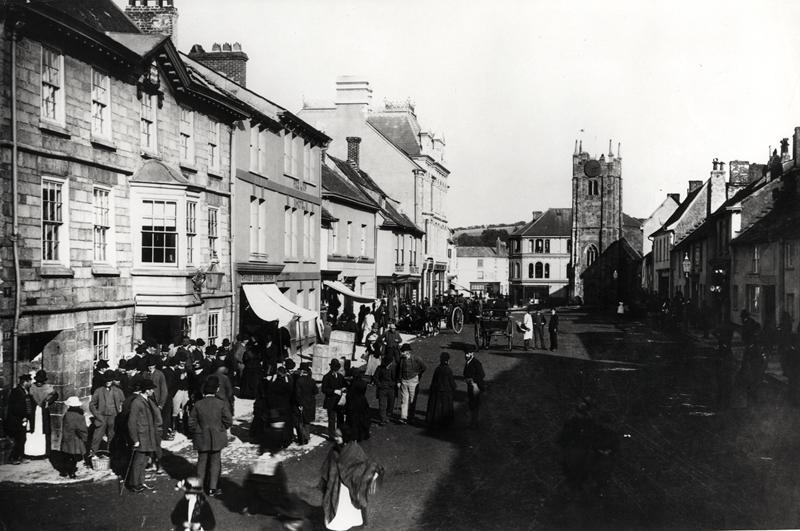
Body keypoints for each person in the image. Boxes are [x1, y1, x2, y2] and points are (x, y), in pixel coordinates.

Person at [320, 427, 383, 531]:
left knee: (349, 507)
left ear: (345, 436)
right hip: (337, 485)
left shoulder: (354, 448)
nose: (336, 438)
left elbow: (363, 464)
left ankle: (351, 523)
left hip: (348, 486)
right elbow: (328, 466)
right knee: (338, 507)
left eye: (338, 436)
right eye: (335, 435)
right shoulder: (334, 449)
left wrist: (372, 473)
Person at [188, 378, 232, 497]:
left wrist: (197, 430)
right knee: (215, 462)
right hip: (217, 436)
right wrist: (220, 428)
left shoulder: (198, 404)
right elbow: (228, 420)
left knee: (201, 462)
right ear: (216, 389)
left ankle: (198, 487)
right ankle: (213, 488)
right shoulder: (221, 403)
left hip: (201, 437)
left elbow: (191, 422)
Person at [126, 379, 162, 493]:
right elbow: (131, 422)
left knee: (145, 459)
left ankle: (140, 482)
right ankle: (134, 483)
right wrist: (135, 439)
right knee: (138, 460)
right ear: (146, 390)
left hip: (148, 435)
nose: (152, 391)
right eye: (151, 389)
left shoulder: (147, 400)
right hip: (141, 436)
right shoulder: (137, 402)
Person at [89, 371, 125, 455]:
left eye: (109, 381)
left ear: (112, 381)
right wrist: (97, 415)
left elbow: (123, 403)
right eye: (106, 381)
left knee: (112, 436)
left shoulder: (118, 391)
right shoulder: (99, 391)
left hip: (114, 417)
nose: (107, 382)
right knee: (97, 436)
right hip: (102, 417)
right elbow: (92, 404)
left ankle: (110, 454)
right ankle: (93, 454)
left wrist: (120, 413)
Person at [28, 369, 58, 458]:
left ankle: (42, 452)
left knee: (41, 431)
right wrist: (48, 401)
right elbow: (55, 395)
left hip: (40, 412)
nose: (39, 383)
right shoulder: (36, 387)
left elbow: (55, 395)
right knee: (36, 431)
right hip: (37, 412)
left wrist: (48, 401)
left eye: (40, 381)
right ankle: (34, 452)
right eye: (38, 381)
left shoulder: (40, 387)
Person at [6, 374, 34, 465]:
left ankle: (20, 457)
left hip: (22, 420)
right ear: (25, 382)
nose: (31, 383)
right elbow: (16, 408)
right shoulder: (17, 392)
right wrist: (23, 416)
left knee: (22, 438)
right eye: (29, 381)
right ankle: (13, 458)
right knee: (19, 439)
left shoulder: (24, 391)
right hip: (17, 420)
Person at [397, 344, 426, 425]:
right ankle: (403, 417)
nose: (401, 353)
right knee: (404, 400)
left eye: (402, 351)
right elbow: (400, 370)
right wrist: (399, 381)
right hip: (404, 381)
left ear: (407, 352)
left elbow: (424, 368)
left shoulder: (417, 359)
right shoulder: (402, 359)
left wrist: (417, 375)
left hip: (413, 381)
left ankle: (411, 417)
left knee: (412, 400)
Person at [425, 352, 456, 428]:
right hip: (446, 391)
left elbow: (434, 380)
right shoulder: (448, 370)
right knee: (445, 407)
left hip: (437, 390)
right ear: (447, 360)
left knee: (436, 407)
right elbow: (451, 382)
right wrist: (454, 387)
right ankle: (445, 423)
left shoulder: (437, 369)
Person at [60, 396, 88, 479]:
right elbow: (82, 429)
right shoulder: (79, 417)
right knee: (73, 457)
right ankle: (72, 472)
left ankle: (64, 471)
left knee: (67, 456)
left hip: (66, 438)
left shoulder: (66, 415)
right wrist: (85, 438)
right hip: (75, 439)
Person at [322, 359, 347, 441]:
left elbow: (345, 385)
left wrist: (344, 389)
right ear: (331, 367)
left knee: (340, 418)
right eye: (335, 367)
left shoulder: (340, 376)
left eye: (337, 367)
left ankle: (340, 433)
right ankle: (332, 435)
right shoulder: (326, 377)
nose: (336, 369)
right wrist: (334, 391)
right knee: (332, 420)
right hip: (331, 401)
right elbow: (324, 389)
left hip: (339, 401)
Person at [293, 363, 318, 446]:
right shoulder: (312, 380)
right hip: (310, 403)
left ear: (302, 371)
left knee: (301, 421)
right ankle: (307, 436)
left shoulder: (299, 380)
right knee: (307, 421)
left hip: (302, 403)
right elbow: (316, 391)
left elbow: (297, 394)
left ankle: (303, 438)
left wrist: (299, 403)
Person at [463, 349, 485, 427]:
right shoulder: (468, 362)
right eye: (465, 353)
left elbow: (482, 375)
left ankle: (475, 423)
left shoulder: (476, 363)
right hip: (470, 386)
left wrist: (473, 380)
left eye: (468, 353)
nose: (466, 355)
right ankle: (472, 422)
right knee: (471, 404)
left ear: (472, 354)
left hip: (476, 386)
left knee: (475, 405)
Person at [373, 355, 397, 426]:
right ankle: (383, 419)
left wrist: (394, 384)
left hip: (391, 389)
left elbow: (397, 378)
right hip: (382, 389)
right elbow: (375, 377)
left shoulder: (394, 368)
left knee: (390, 404)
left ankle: (387, 416)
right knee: (382, 404)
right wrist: (379, 385)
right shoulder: (380, 368)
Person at [345, 378, 371, 442]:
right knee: (362, 419)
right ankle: (363, 435)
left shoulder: (353, 383)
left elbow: (350, 394)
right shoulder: (363, 382)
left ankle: (354, 436)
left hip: (354, 403)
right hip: (362, 401)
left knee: (353, 421)